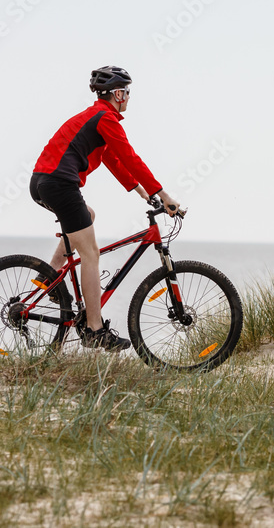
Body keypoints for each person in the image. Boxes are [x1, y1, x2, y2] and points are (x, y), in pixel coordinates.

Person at [29, 66, 183, 351]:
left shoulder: (95, 117)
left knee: (88, 215)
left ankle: (49, 277)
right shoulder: (106, 119)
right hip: (60, 184)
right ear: (117, 94)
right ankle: (94, 329)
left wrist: (141, 192)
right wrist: (163, 194)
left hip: (42, 183)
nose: (128, 98)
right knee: (91, 253)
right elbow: (131, 157)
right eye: (127, 92)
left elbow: (113, 159)